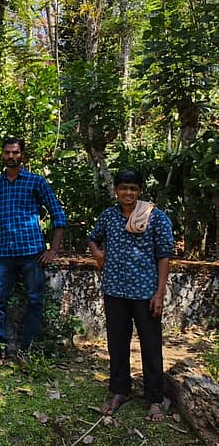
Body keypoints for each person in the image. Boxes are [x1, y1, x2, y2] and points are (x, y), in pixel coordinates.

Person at [0, 137, 67, 365]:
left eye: (15, 152)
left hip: (32, 253)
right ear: (3, 155)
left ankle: (25, 352)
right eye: (8, 153)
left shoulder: (35, 182)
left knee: (34, 301)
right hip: (6, 254)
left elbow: (58, 215)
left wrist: (53, 251)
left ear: (22, 155)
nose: (11, 156)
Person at [88, 170, 174, 422]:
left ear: (140, 191)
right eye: (124, 188)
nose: (128, 193)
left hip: (145, 293)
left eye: (133, 189)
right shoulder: (108, 216)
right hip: (114, 290)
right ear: (116, 190)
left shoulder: (155, 218)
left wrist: (159, 292)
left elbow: (164, 255)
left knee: (150, 346)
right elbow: (92, 238)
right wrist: (97, 253)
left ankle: (155, 399)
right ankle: (119, 391)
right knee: (116, 343)